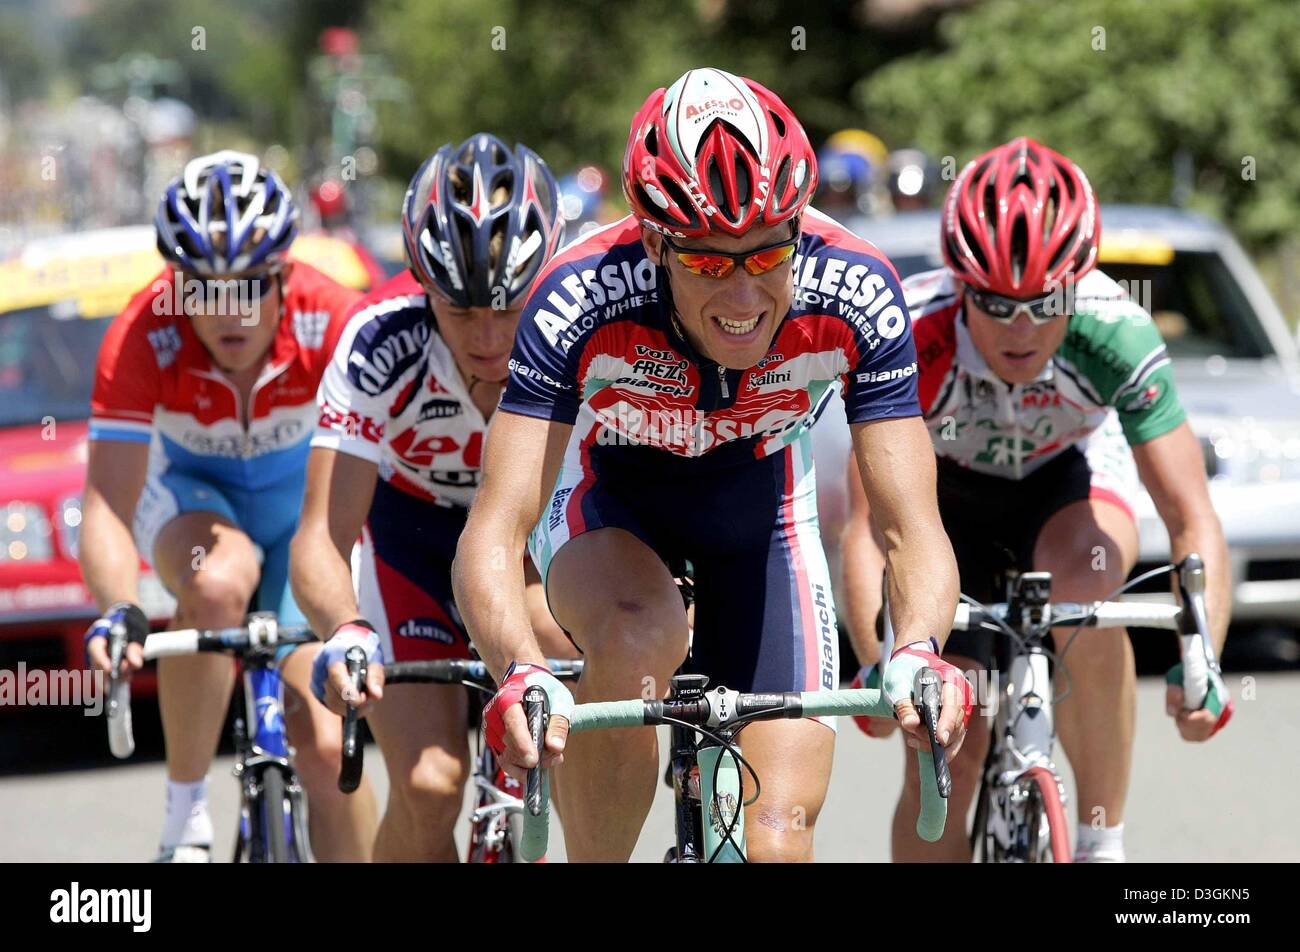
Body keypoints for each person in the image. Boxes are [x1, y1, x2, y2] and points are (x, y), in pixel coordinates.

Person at [451, 67, 972, 863]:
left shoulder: (857, 289)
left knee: (775, 843)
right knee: (635, 635)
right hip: (612, 497)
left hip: (761, 509)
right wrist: (520, 669)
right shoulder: (579, 296)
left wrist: (919, 649)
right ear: (654, 240)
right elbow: (495, 530)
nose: (744, 291)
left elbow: (910, 525)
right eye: (706, 263)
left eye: (767, 253)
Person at [841, 136, 1233, 863]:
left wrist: (1201, 656)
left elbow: (1191, 517)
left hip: (1068, 487)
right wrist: (877, 658)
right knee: (946, 746)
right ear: (961, 286)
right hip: (943, 510)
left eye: (1045, 303)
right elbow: (868, 526)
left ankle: (1099, 841)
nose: (1020, 329)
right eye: (995, 304)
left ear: (1077, 286)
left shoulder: (1116, 329)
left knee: (1085, 595)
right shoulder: (912, 333)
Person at [81, 150, 379, 862]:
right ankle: (184, 818)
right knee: (216, 584)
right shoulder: (142, 331)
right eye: (203, 291)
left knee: (326, 740)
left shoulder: (334, 315)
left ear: (283, 274)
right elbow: (108, 505)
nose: (227, 312)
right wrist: (118, 607)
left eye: (248, 286)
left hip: (305, 519)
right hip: (195, 506)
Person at [291, 133, 571, 861]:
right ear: (421, 286)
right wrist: (344, 628)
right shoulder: (378, 342)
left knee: (567, 745)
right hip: (411, 543)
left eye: (511, 307)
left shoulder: (584, 330)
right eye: (459, 310)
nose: (488, 336)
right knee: (430, 786)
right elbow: (322, 536)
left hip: (533, 551)